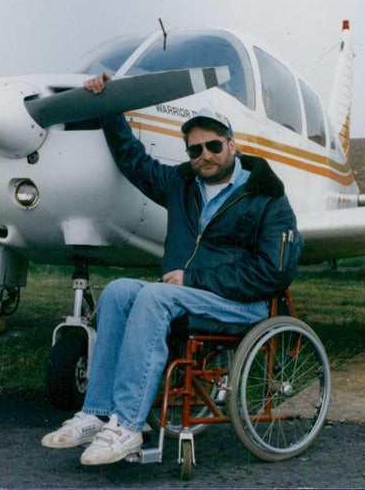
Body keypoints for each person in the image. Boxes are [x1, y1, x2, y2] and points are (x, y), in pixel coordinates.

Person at [42, 72, 303, 466]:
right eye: (195, 149)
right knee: (118, 291)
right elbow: (134, 160)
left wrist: (194, 278)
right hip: (186, 298)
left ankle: (128, 425)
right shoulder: (182, 184)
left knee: (155, 295)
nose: (205, 156)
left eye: (214, 145)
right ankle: (96, 414)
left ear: (232, 144)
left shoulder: (266, 198)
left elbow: (273, 274)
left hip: (242, 305)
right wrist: (109, 105)